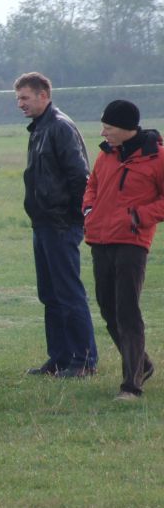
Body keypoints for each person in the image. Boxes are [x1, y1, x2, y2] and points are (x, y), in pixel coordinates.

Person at [15, 72, 99, 378]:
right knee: (49, 294)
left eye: (25, 98)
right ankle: (60, 357)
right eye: (18, 99)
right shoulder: (40, 129)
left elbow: (79, 176)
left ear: (44, 96)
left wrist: (78, 217)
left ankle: (84, 359)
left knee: (68, 292)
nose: (20, 104)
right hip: (43, 224)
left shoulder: (60, 127)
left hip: (61, 223)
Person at [83, 100, 164, 400]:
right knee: (108, 308)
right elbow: (91, 185)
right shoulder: (106, 156)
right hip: (100, 240)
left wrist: (139, 217)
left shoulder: (157, 158)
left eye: (109, 127)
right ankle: (142, 364)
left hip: (132, 243)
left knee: (127, 311)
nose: (103, 131)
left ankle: (131, 385)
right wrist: (89, 210)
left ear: (127, 128)